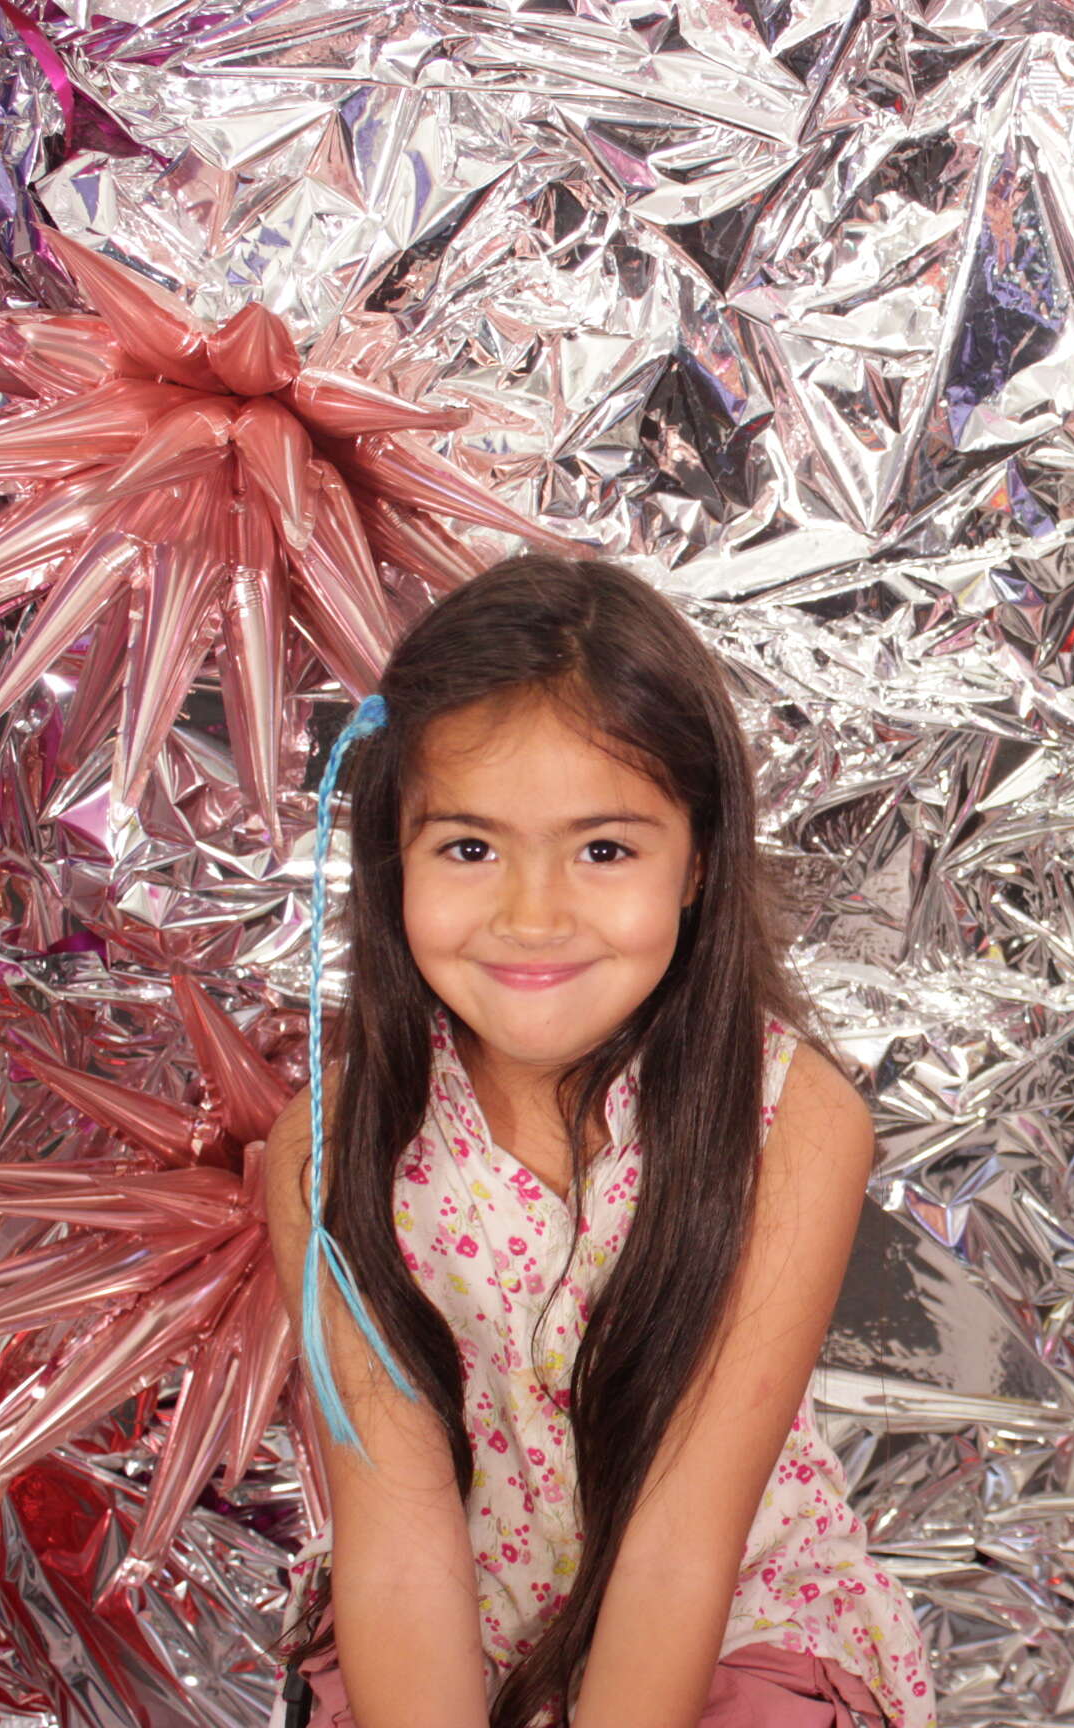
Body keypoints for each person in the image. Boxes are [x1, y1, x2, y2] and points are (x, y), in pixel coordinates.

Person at [263, 556, 932, 1728]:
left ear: (699, 860)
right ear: (392, 857)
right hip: (449, 1628)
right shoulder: (327, 1150)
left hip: (729, 1626)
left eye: (605, 849)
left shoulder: (791, 1124)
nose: (534, 915)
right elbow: (398, 1547)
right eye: (470, 848)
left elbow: (681, 1544)